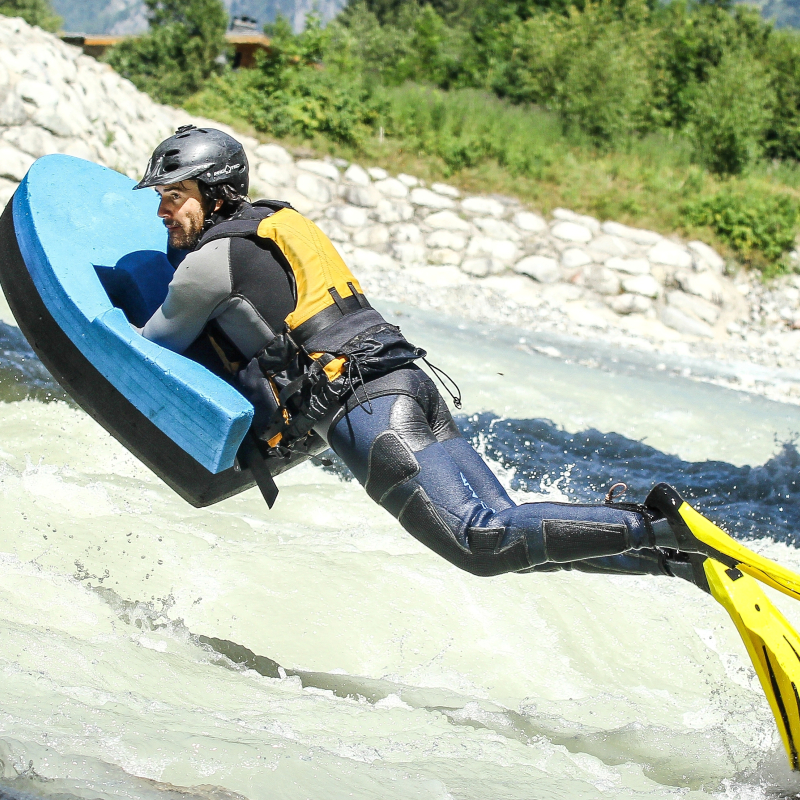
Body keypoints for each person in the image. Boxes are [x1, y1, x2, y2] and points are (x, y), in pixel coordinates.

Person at [133, 125, 719, 589]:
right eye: (162, 198)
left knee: (479, 544)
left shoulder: (209, 263)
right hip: (407, 386)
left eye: (174, 196)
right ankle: (670, 558)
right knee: (511, 536)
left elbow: (153, 343)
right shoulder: (276, 223)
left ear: (214, 192)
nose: (164, 210)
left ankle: (658, 525)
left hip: (364, 409)